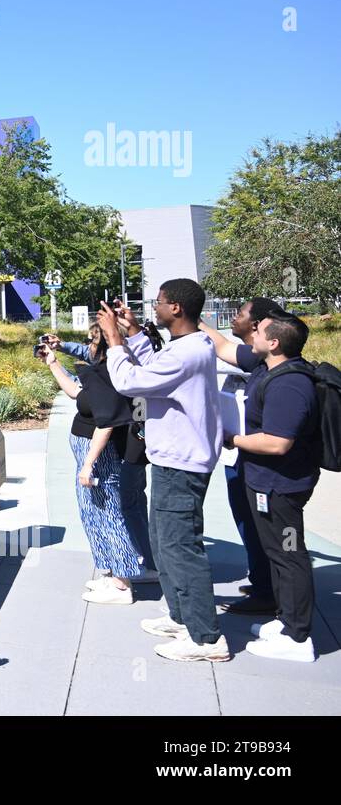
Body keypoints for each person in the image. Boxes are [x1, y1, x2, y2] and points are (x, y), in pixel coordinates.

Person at [101, 281, 229, 662]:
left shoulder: (186, 354)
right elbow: (155, 367)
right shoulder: (188, 346)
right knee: (163, 541)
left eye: (158, 302)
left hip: (181, 464)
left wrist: (114, 341)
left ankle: (206, 638)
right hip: (173, 459)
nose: (152, 306)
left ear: (175, 308)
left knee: (180, 548)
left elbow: (131, 382)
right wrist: (135, 333)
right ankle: (181, 617)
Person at [218, 311, 321, 662]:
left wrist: (233, 439)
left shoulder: (289, 384)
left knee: (289, 555)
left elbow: (278, 443)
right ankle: (287, 620)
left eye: (259, 330)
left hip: (282, 488)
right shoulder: (271, 370)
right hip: (269, 483)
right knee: (278, 554)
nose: (254, 332)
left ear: (274, 342)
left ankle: (297, 638)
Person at [41, 330, 155, 604]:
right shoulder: (99, 372)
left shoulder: (108, 375)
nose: (85, 347)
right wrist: (53, 363)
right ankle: (112, 572)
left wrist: (88, 464)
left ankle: (121, 584)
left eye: (91, 341)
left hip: (99, 456)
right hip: (90, 453)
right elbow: (76, 394)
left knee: (108, 514)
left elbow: (107, 424)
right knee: (93, 514)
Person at [197, 298, 284, 615]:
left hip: (254, 458)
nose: (234, 318)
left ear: (259, 324)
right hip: (239, 457)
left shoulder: (266, 361)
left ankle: (267, 592)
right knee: (246, 519)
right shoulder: (255, 356)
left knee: (257, 524)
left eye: (241, 314)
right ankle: (262, 580)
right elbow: (221, 344)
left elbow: (221, 346)